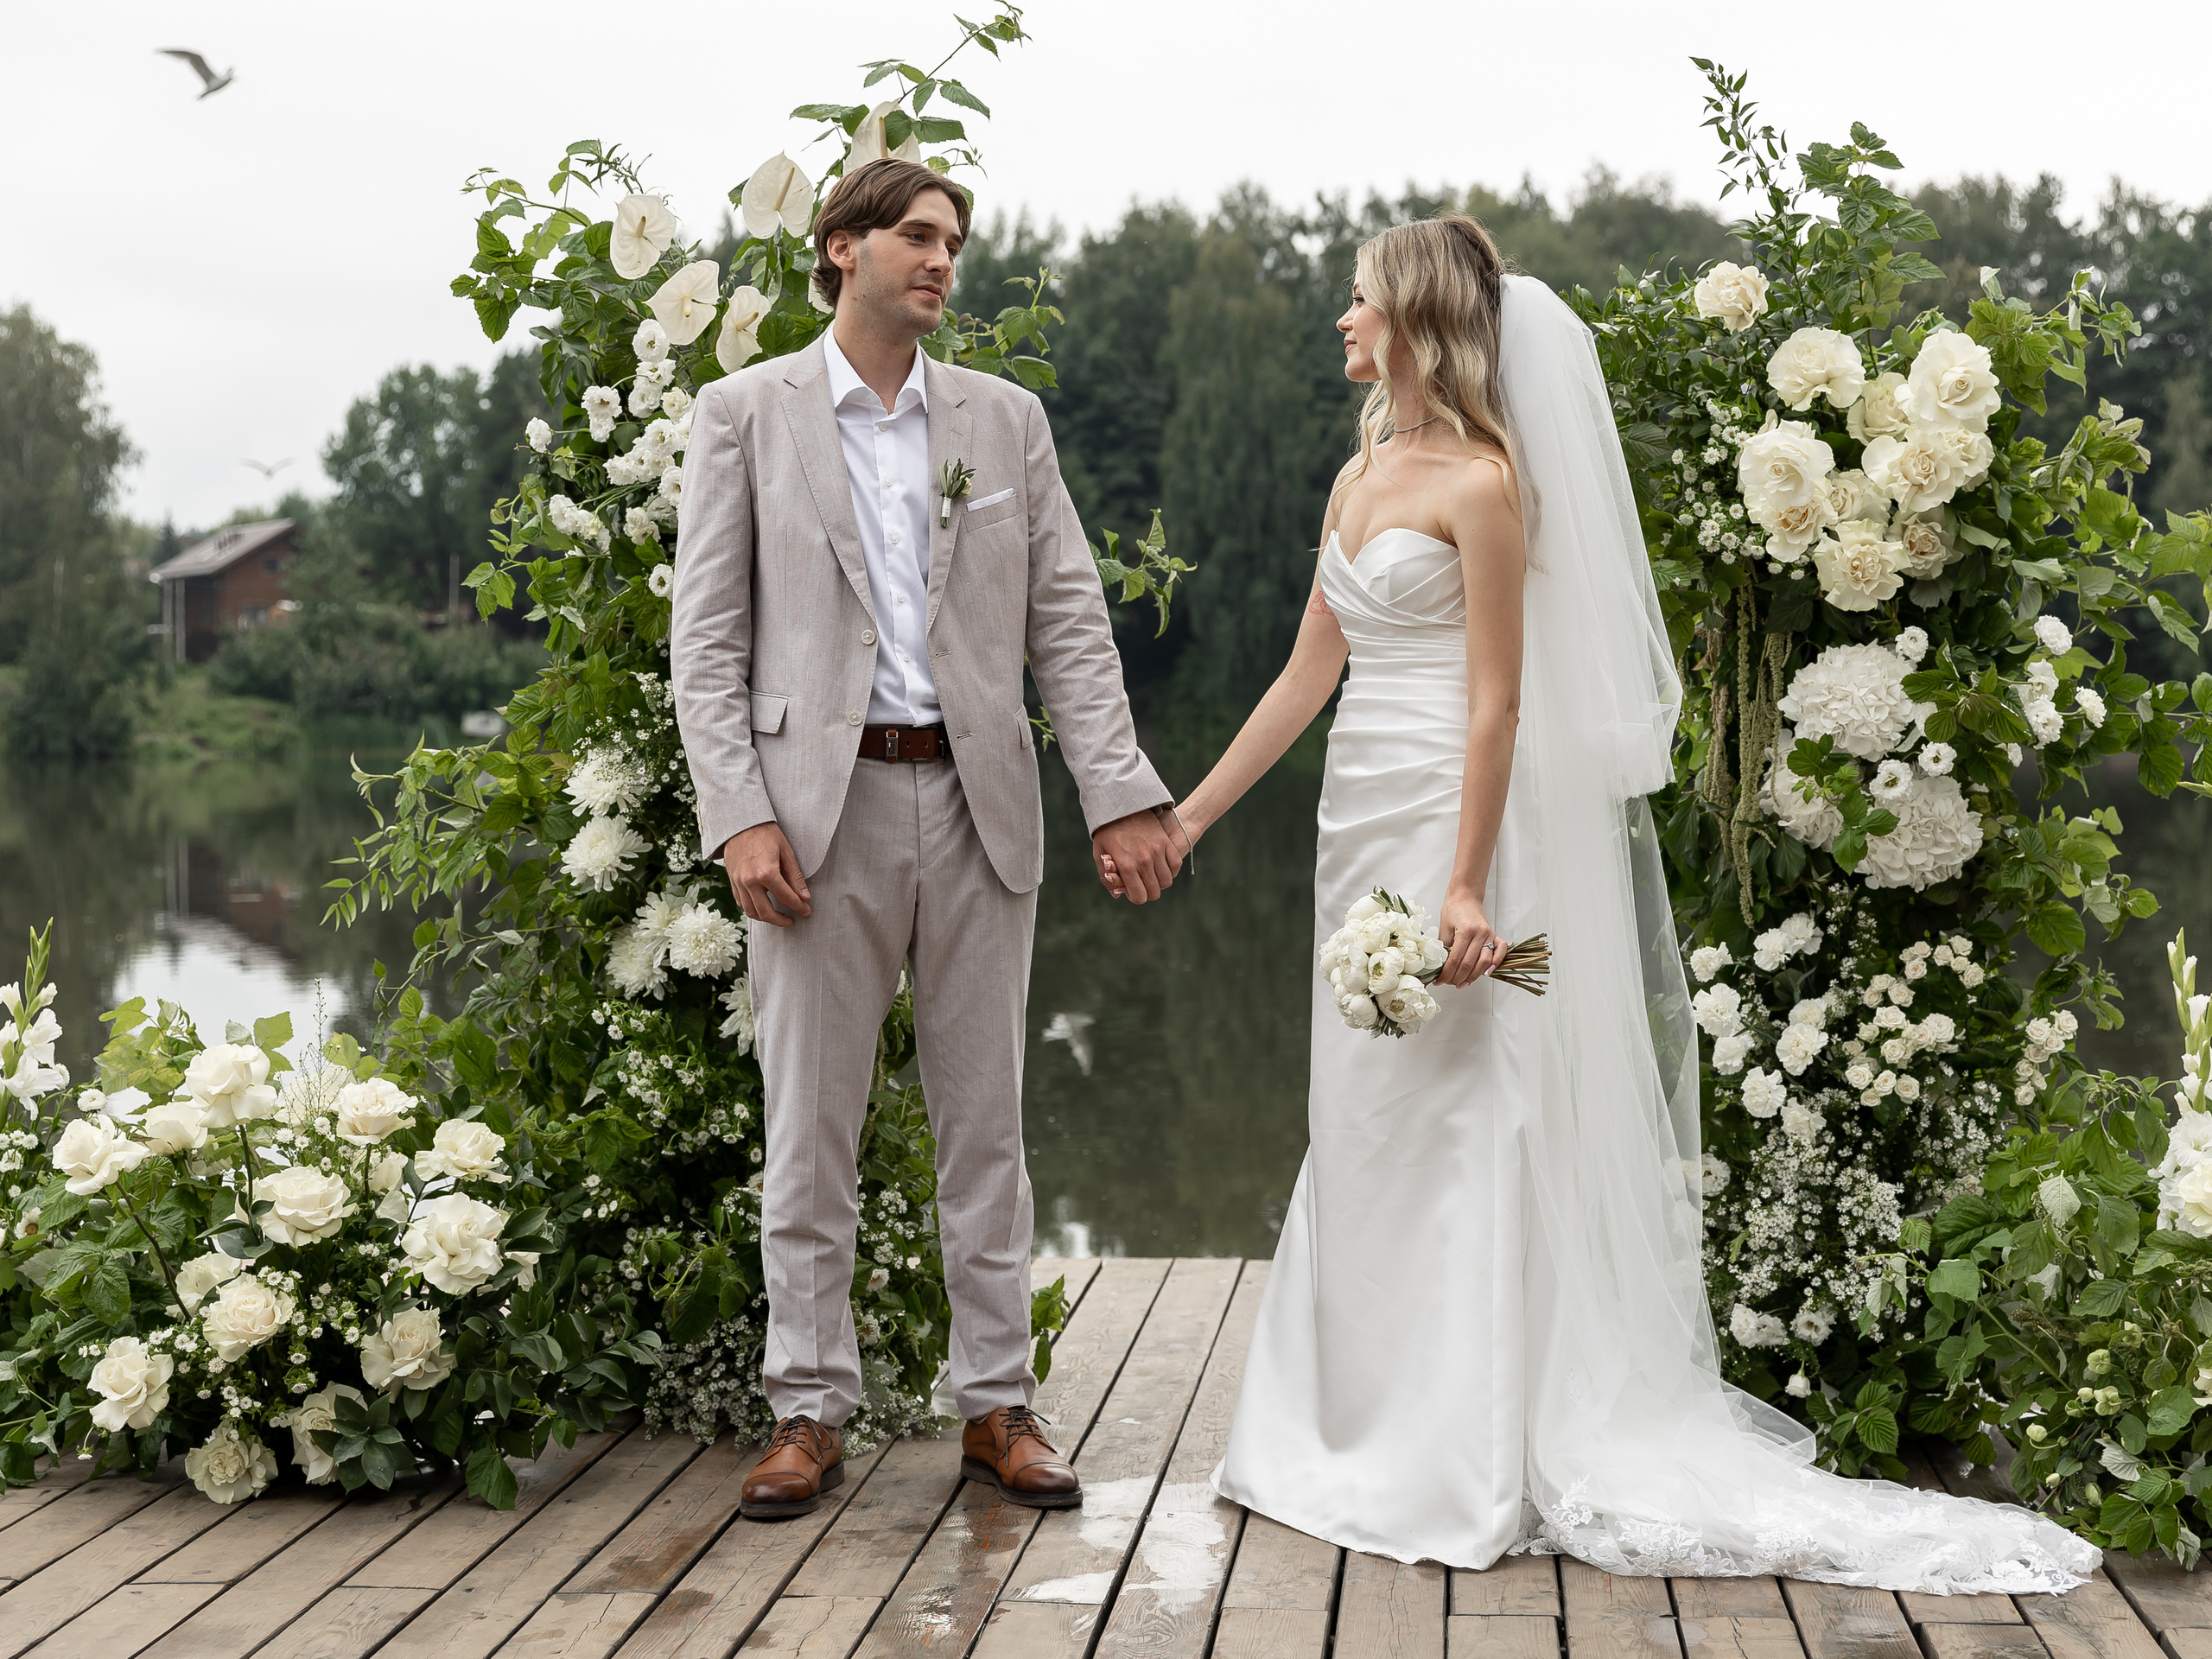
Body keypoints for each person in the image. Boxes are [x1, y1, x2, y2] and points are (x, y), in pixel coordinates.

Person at [1122, 213, 2096, 1589]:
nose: (1341, 324)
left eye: (1358, 304)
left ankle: (1462, 1451)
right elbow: (1302, 676)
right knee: (1358, 1107)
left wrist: (1464, 881)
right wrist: (1192, 816)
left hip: (1463, 821)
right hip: (1358, 818)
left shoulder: (1486, 487)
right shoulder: (1358, 481)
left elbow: (1502, 699)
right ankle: (1337, 1430)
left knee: (1468, 1105)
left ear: (1415, 322)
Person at [671, 158, 1187, 1521]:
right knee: (811, 1127)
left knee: (987, 1126)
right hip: (813, 821)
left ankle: (999, 1407)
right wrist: (740, 818)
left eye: (953, 240)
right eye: (915, 235)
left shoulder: (1003, 422)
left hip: (977, 803)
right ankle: (805, 1408)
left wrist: (1119, 790)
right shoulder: (742, 416)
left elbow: (1067, 618)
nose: (941, 259)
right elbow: (707, 647)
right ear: (840, 249)